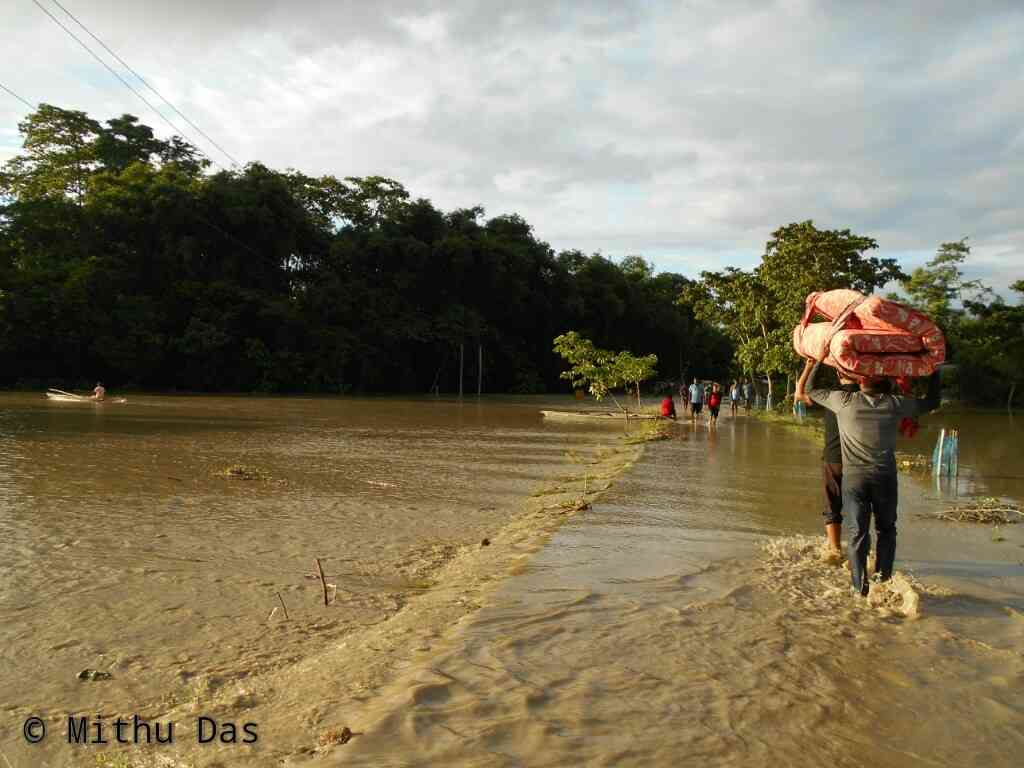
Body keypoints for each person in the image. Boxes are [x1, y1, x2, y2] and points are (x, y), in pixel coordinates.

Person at [796, 359, 942, 597]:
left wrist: (819, 360)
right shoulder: (894, 404)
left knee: (857, 533)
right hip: (885, 479)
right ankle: (883, 583)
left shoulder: (844, 401)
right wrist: (934, 370)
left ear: (862, 380)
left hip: (855, 481)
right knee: (886, 530)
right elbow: (932, 401)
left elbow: (810, 390)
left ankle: (859, 589)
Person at [797, 364, 860, 560]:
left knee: (832, 505)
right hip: (860, 460)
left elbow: (803, 393)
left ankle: (835, 550)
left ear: (840, 372)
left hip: (834, 459)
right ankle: (859, 551)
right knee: (859, 506)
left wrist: (813, 364)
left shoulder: (831, 397)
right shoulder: (867, 396)